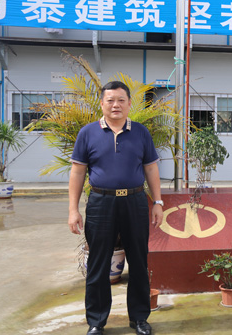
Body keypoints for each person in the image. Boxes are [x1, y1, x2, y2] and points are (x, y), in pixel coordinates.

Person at [68, 81, 164, 335]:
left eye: (121, 100)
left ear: (129, 103)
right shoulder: (87, 133)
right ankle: (96, 321)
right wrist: (73, 210)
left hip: (135, 201)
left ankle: (139, 318)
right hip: (101, 203)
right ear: (102, 104)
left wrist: (158, 202)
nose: (115, 105)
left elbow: (151, 168)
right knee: (98, 264)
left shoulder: (141, 132)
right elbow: (77, 172)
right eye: (110, 100)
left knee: (138, 261)